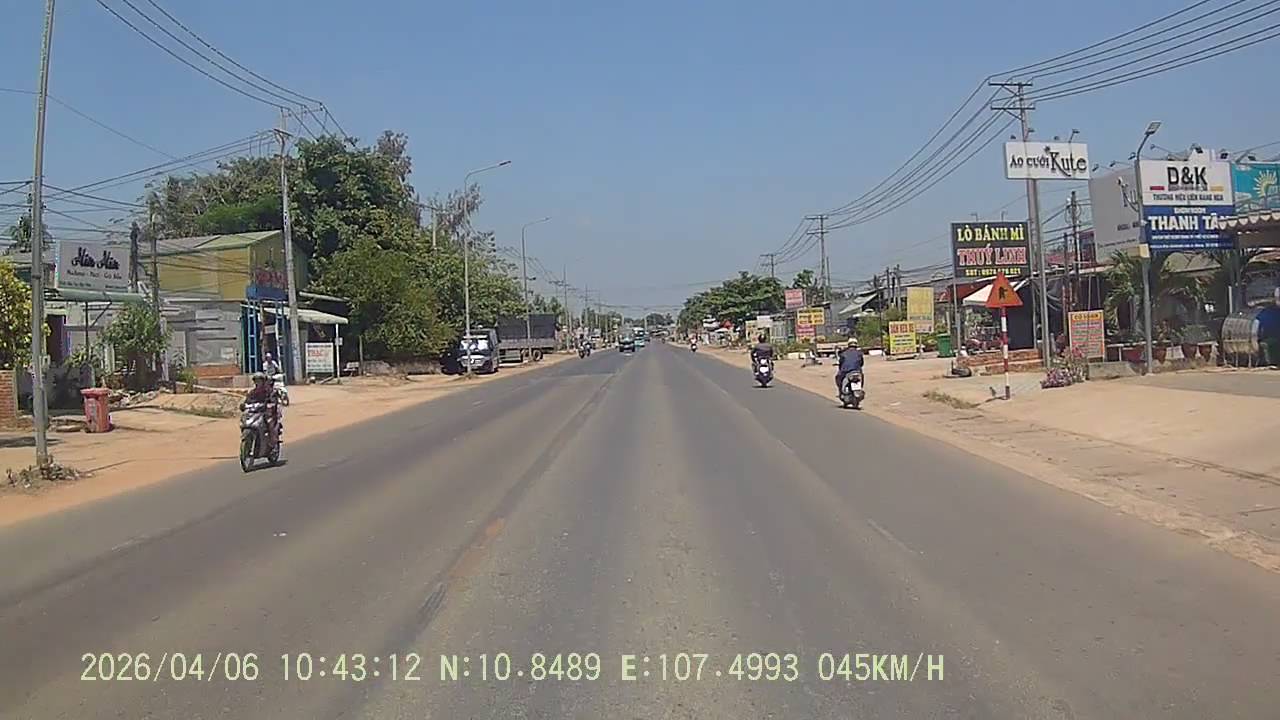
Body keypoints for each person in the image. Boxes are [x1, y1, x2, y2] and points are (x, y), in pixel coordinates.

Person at [242, 372, 282, 441]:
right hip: (255, 412)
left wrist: (269, 404)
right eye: (256, 381)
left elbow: (273, 400)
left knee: (270, 424)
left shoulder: (268, 391)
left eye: (259, 381)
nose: (258, 382)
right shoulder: (252, 392)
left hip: (266, 413)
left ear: (263, 381)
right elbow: (247, 400)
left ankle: (272, 440)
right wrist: (244, 405)